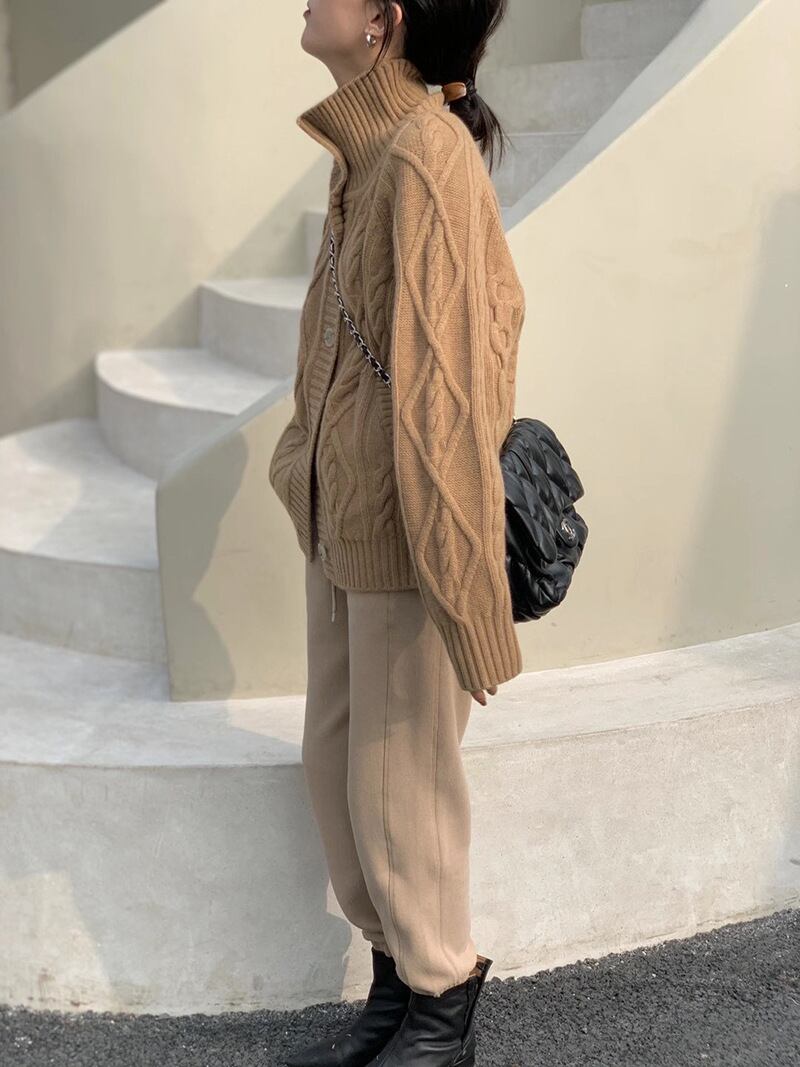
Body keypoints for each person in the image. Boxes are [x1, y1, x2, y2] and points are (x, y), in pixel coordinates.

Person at [269, 2, 526, 1064]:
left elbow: (450, 393)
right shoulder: (365, 152)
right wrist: (303, 460)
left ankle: (441, 995)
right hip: (343, 515)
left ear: (383, 19)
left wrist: (467, 595)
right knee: (338, 768)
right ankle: (396, 972)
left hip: (409, 537)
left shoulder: (423, 157)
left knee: (400, 785)